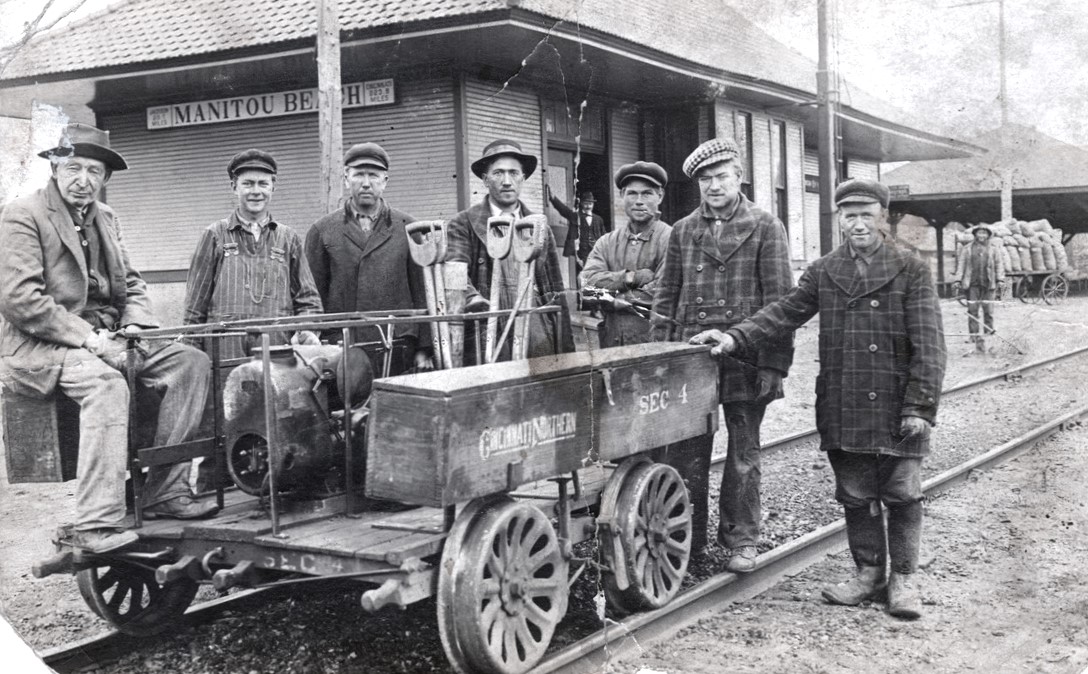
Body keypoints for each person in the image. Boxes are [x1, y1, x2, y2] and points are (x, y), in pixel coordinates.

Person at [692, 178, 947, 620]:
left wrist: (920, 407)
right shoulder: (826, 269)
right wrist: (734, 338)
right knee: (854, 493)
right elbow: (784, 311)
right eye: (850, 215)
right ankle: (868, 575)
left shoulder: (911, 266)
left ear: (882, 217)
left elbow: (930, 345)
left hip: (896, 401)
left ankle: (904, 579)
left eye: (867, 214)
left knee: (903, 492)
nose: (858, 223)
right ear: (839, 220)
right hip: (844, 399)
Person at [0, 123, 218, 554]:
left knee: (191, 363)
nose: (83, 180)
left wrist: (135, 324)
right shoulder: (22, 214)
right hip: (43, 343)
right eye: (74, 167)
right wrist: (90, 339)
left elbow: (132, 284)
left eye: (94, 171)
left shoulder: (108, 218)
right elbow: (20, 299)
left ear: (105, 179)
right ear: (55, 167)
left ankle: (165, 492)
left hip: (111, 335)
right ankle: (95, 522)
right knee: (106, 384)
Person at [651, 137, 794, 571]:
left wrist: (774, 364)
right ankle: (686, 544)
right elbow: (665, 298)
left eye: (721, 177)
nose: (713, 186)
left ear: (739, 178)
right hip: (691, 358)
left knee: (744, 453)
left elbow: (781, 303)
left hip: (747, 356)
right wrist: (660, 358)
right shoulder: (682, 231)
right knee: (686, 451)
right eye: (705, 179)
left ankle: (742, 540)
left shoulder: (766, 226)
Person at [305, 142, 432, 374]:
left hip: (396, 344)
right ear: (346, 179)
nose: (365, 183)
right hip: (343, 347)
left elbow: (422, 292)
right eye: (358, 175)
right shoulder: (322, 230)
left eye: (373, 175)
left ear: (385, 181)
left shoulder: (409, 227)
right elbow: (313, 296)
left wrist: (425, 348)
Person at [184, 149, 323, 360]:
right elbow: (195, 308)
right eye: (248, 184)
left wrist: (307, 331)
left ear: (273, 187)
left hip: (277, 348)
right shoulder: (214, 235)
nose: (255, 191)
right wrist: (190, 353)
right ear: (234, 187)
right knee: (226, 392)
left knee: (277, 393)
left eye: (263, 184)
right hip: (225, 348)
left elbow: (309, 300)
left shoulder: (288, 238)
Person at [446, 139, 574, 363]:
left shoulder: (538, 225)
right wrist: (473, 299)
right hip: (488, 325)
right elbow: (455, 274)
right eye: (498, 173)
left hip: (536, 325)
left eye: (514, 173)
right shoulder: (463, 223)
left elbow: (555, 289)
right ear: (485, 180)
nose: (507, 181)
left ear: (523, 178)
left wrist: (566, 348)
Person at [580, 161, 671, 347]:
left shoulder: (671, 238)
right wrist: (629, 277)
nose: (639, 201)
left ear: (660, 196)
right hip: (613, 344)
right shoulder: (607, 242)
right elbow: (586, 287)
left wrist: (614, 299)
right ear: (622, 195)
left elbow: (664, 290)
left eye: (647, 193)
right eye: (632, 193)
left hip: (656, 346)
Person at [954, 224, 1005, 353]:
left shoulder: (994, 249)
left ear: (988, 235)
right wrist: (957, 279)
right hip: (973, 285)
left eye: (984, 233)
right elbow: (961, 265)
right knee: (972, 310)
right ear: (975, 235)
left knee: (988, 310)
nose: (982, 236)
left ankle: (988, 333)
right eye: (979, 233)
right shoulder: (967, 249)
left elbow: (999, 265)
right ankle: (974, 336)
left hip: (989, 284)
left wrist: (1000, 279)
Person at [552, 189, 608, 271]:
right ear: (581, 203)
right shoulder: (576, 216)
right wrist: (553, 198)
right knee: (581, 277)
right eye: (586, 203)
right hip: (581, 255)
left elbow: (604, 236)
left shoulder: (598, 219)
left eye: (590, 204)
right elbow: (564, 210)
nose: (588, 206)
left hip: (595, 254)